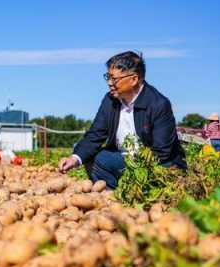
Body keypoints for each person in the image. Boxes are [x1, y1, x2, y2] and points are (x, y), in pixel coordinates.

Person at [58, 51, 186, 189]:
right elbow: (95, 134)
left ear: (134, 79)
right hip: (124, 161)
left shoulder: (158, 104)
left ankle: (138, 192)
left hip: (157, 164)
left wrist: (136, 171)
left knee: (165, 171)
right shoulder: (110, 100)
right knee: (92, 157)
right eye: (108, 77)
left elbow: (162, 151)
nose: (109, 83)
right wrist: (75, 158)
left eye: (114, 79)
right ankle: (111, 195)